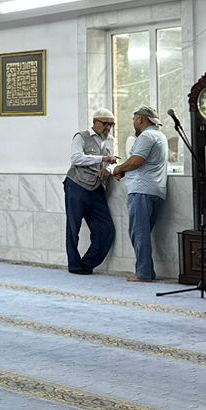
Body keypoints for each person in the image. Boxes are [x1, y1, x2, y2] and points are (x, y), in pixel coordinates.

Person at [112, 106, 170, 282]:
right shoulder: (160, 136)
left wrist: (119, 168)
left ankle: (143, 273)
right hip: (156, 190)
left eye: (134, 120)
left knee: (138, 233)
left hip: (141, 190)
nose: (133, 123)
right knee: (142, 232)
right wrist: (125, 170)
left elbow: (137, 161)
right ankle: (147, 271)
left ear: (141, 120)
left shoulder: (146, 136)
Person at [63, 108, 117, 275]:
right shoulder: (81, 137)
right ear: (95, 122)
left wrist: (108, 168)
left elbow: (112, 161)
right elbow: (76, 158)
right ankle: (74, 265)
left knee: (106, 229)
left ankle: (86, 264)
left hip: (97, 188)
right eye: (105, 123)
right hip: (76, 185)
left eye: (111, 124)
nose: (108, 127)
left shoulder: (110, 140)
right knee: (73, 227)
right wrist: (102, 159)